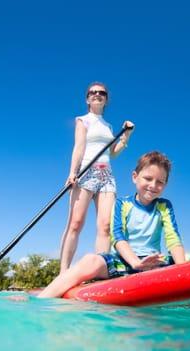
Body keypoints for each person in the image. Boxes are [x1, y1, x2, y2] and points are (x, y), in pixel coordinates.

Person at [37, 151, 186, 298]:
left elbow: (173, 239)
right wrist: (136, 263)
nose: (153, 185)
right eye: (148, 178)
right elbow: (118, 238)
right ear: (135, 177)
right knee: (91, 259)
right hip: (125, 262)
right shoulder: (122, 204)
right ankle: (41, 300)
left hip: (154, 263)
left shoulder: (164, 206)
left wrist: (183, 270)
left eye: (160, 182)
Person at [59, 82, 134, 274]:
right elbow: (79, 147)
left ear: (106, 99)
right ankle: (63, 272)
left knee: (106, 226)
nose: (97, 94)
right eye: (93, 92)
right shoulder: (82, 120)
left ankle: (100, 271)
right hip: (86, 173)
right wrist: (72, 172)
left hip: (106, 176)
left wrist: (125, 136)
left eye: (102, 93)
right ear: (87, 99)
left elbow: (113, 153)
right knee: (75, 223)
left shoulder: (109, 127)